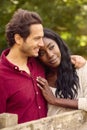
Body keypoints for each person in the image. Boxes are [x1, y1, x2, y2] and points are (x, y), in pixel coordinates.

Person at [0, 8, 47, 123]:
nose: (42, 44)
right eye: (37, 38)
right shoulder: (1, 76)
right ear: (18, 39)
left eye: (42, 38)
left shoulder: (40, 62)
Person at [36, 28, 87, 116]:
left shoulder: (81, 68)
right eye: (42, 53)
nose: (50, 55)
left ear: (59, 45)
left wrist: (54, 100)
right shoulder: (40, 79)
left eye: (51, 47)